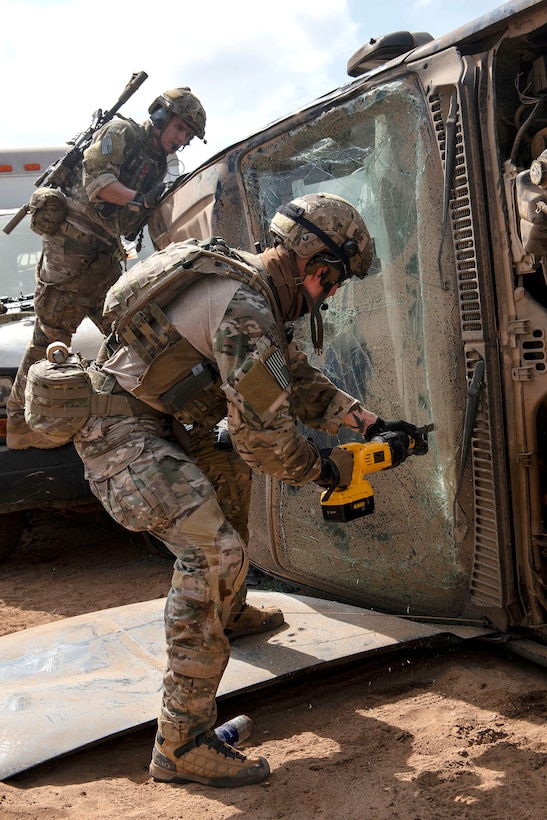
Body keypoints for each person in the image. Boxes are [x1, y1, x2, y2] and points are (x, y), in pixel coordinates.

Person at [71, 192, 420, 788]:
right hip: (119, 434)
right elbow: (267, 442)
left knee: (230, 468)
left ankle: (226, 612)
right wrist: (329, 469)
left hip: (160, 420)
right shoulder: (248, 308)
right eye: (334, 282)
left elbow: (292, 376)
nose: (331, 295)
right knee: (214, 553)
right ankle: (180, 745)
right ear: (317, 267)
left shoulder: (250, 283)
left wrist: (363, 422)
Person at [6, 86, 206, 450]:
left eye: (188, 136)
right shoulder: (122, 133)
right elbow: (99, 184)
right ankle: (20, 422)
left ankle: (134, 414)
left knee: (127, 330)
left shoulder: (158, 163)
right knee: (50, 338)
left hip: (104, 254)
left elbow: (129, 221)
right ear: (160, 117)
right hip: (71, 248)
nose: (182, 139)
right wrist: (141, 198)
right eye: (180, 128)